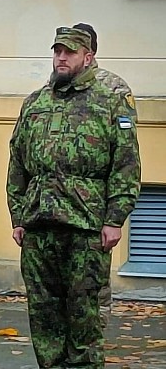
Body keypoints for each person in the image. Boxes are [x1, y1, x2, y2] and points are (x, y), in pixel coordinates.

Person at [7, 27, 141, 369]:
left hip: (86, 221)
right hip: (39, 220)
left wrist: (115, 218)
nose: (61, 58)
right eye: (57, 51)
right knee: (44, 306)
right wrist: (18, 215)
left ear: (89, 56)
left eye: (70, 52)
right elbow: (17, 162)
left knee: (83, 306)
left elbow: (126, 163)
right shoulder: (36, 103)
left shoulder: (110, 97)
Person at [72, 22, 138, 328]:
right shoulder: (57, 88)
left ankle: (96, 331)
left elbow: (124, 154)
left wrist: (114, 216)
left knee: (93, 283)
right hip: (60, 206)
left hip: (93, 203)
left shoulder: (114, 88)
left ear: (89, 52)